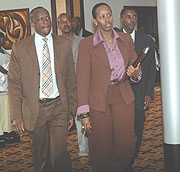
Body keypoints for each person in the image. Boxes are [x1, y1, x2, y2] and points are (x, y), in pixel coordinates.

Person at [8, 7, 77, 172]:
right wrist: (16, 115)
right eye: (40, 19)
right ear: (32, 23)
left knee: (59, 152)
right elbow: (14, 84)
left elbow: (70, 79)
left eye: (47, 18)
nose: (45, 21)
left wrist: (71, 109)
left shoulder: (63, 44)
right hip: (35, 109)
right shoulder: (20, 48)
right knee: (41, 154)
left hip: (59, 105)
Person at [77, 3, 142, 172]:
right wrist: (84, 113)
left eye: (109, 15)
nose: (107, 20)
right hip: (99, 98)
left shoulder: (126, 39)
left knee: (127, 142)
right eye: (102, 16)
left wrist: (135, 73)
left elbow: (135, 65)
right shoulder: (87, 44)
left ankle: (121, 167)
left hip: (122, 94)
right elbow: (82, 79)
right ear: (95, 21)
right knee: (101, 145)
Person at [120, 7, 156, 165]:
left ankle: (130, 160)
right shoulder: (114, 39)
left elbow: (151, 69)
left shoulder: (146, 40)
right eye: (128, 17)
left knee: (137, 129)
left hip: (140, 93)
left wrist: (149, 93)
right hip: (119, 95)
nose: (132, 20)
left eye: (134, 17)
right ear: (121, 19)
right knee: (121, 131)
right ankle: (123, 161)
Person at [57, 13, 89, 162]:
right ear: (58, 25)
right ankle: (60, 155)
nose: (65, 24)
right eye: (62, 22)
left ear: (72, 23)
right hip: (60, 91)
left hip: (79, 87)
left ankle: (84, 152)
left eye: (67, 21)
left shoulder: (83, 42)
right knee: (59, 123)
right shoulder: (53, 44)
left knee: (81, 119)